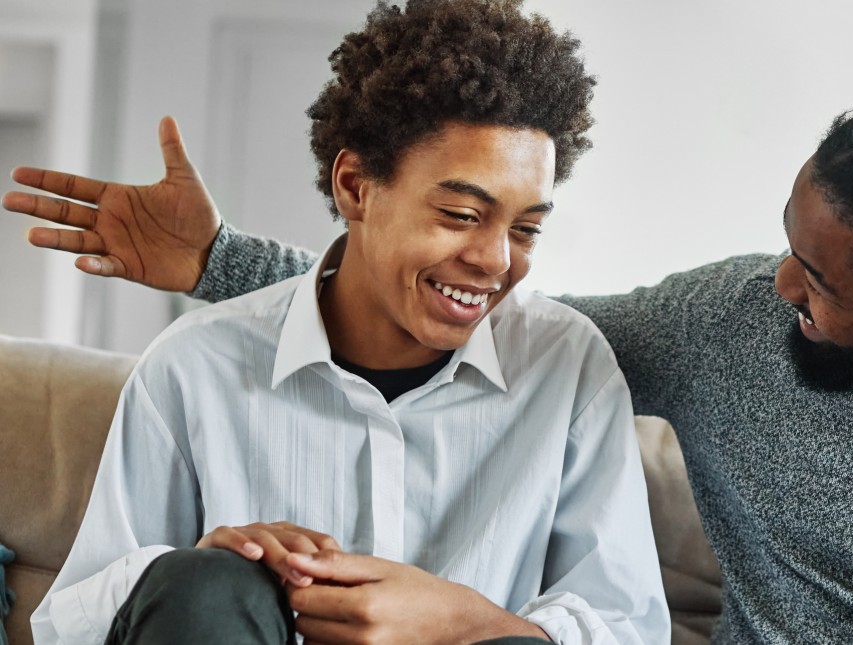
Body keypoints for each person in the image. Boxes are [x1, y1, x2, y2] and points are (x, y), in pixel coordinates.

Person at [7, 80, 853, 643]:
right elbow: (478, 314)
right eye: (788, 245)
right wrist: (220, 260)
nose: (776, 289)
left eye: (820, 283)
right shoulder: (734, 320)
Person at [14, 1, 669, 644]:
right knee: (205, 585)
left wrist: (461, 618)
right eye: (463, 216)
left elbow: (626, 624)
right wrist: (191, 566)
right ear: (355, 186)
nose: (496, 260)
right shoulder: (195, 364)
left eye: (526, 228)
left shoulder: (567, 364)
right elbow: (70, 622)